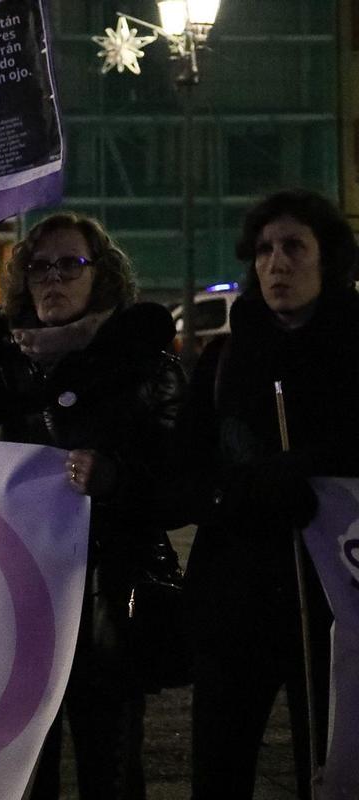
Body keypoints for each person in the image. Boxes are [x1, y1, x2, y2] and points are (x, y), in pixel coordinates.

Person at [0, 213, 186, 799]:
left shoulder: (143, 365)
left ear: (101, 276)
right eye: (40, 266)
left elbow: (180, 485)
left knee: (107, 765)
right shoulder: (7, 363)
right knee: (21, 766)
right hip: (15, 598)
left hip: (106, 598)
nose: (53, 278)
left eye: (71, 264)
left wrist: (113, 477)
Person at [170, 189, 359, 800]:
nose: (277, 263)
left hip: (332, 605)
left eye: (294, 248)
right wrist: (240, 494)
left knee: (330, 763)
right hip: (236, 602)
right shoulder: (227, 359)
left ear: (326, 258)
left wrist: (311, 474)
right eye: (264, 250)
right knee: (220, 769)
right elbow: (187, 473)